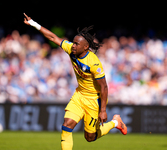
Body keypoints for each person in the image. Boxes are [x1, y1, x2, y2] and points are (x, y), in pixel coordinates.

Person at [23, 13, 127, 150]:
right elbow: (53, 37)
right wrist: (33, 23)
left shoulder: (94, 63)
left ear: (85, 47)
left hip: (93, 101)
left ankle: (115, 122)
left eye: (76, 44)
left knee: (90, 137)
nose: (73, 46)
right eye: (73, 42)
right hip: (79, 96)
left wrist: (103, 110)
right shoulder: (71, 50)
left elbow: (104, 87)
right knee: (67, 124)